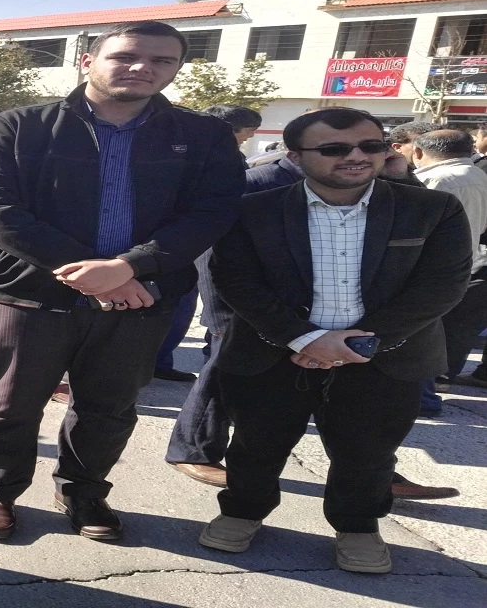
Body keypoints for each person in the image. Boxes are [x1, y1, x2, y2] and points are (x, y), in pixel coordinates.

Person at [0, 21, 244, 543]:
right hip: (27, 291)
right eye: (127, 56)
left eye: (162, 60)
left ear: (176, 69)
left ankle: (83, 491)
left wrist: (131, 266)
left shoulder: (201, 136)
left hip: (142, 294)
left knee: (108, 408)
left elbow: (213, 212)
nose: (143, 67)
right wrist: (96, 272)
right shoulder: (17, 126)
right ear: (87, 61)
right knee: (9, 404)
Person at [198, 108, 471, 575]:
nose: (356, 156)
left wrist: (360, 344)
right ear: (295, 156)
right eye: (334, 148)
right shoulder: (253, 210)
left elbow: (442, 285)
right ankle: (242, 511)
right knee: (256, 443)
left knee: (368, 452)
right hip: (273, 353)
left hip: (384, 357)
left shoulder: (432, 209)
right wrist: (306, 339)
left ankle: (358, 526)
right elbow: (236, 281)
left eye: (371, 145)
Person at [153, 105, 263, 383]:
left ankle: (159, 362)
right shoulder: (194, 156)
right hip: (180, 244)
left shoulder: (223, 155)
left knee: (182, 306)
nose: (250, 137)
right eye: (248, 132)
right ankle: (151, 362)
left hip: (196, 241)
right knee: (177, 304)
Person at [410, 131, 487, 391]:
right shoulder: (478, 174)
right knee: (456, 327)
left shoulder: (433, 179)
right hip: (465, 263)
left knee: (425, 330)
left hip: (428, 267)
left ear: (418, 152)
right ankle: (440, 380)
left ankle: (428, 388)